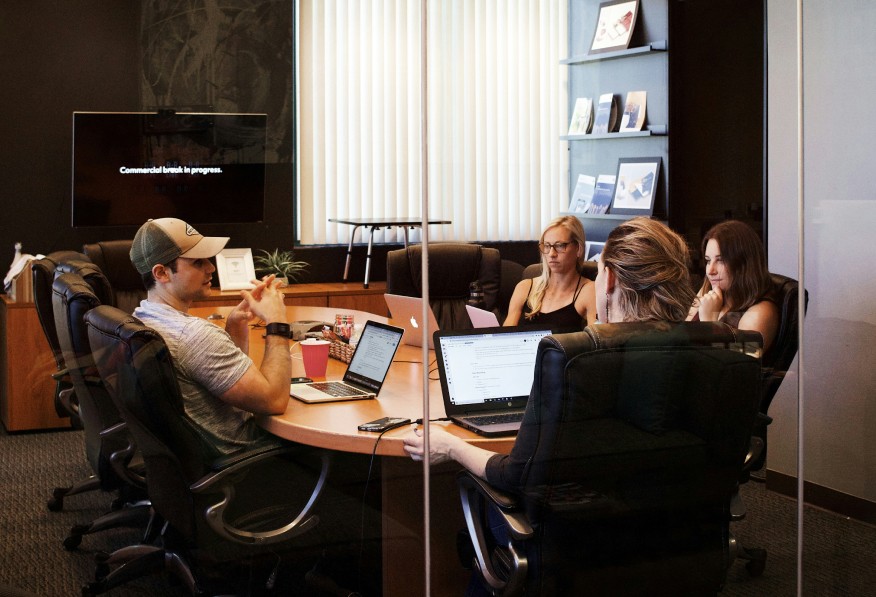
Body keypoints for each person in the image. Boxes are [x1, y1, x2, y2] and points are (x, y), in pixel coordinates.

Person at [404, 217, 695, 486]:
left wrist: (450, 446)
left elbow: (515, 473)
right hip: (685, 528)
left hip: (576, 528)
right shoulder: (712, 352)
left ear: (609, 281)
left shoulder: (576, 366)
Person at [129, 217, 292, 455]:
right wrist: (277, 322)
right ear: (162, 273)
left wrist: (235, 324)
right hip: (248, 458)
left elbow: (220, 379)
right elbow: (274, 401)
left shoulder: (142, 316)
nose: (211, 268)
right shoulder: (194, 336)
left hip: (196, 459)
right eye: (198, 262)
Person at [687, 220, 779, 352]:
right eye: (708, 261)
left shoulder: (761, 312)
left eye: (721, 260)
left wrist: (709, 323)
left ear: (743, 263)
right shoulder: (709, 291)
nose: (710, 271)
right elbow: (682, 341)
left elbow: (735, 366)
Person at [503, 215, 597, 330]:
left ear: (578, 249)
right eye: (547, 246)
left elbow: (598, 342)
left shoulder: (589, 291)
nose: (552, 254)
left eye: (560, 246)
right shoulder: (524, 287)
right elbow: (504, 338)